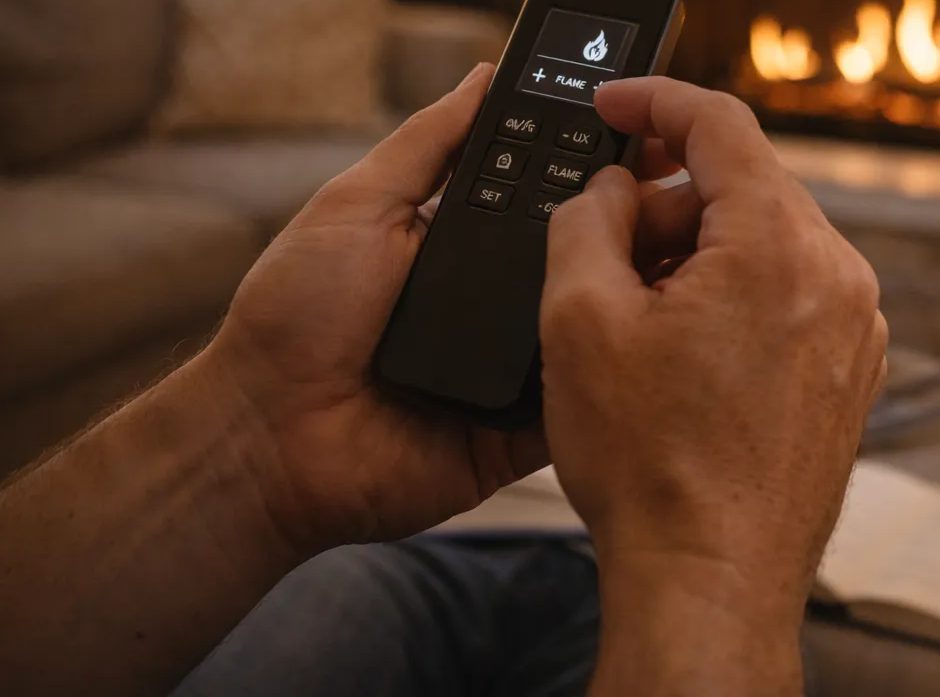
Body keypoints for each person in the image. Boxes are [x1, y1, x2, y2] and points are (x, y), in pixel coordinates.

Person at [0, 69, 889, 697]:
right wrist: (714, 567)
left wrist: (257, 431)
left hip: (311, 493)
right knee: (585, 605)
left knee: (518, 592)